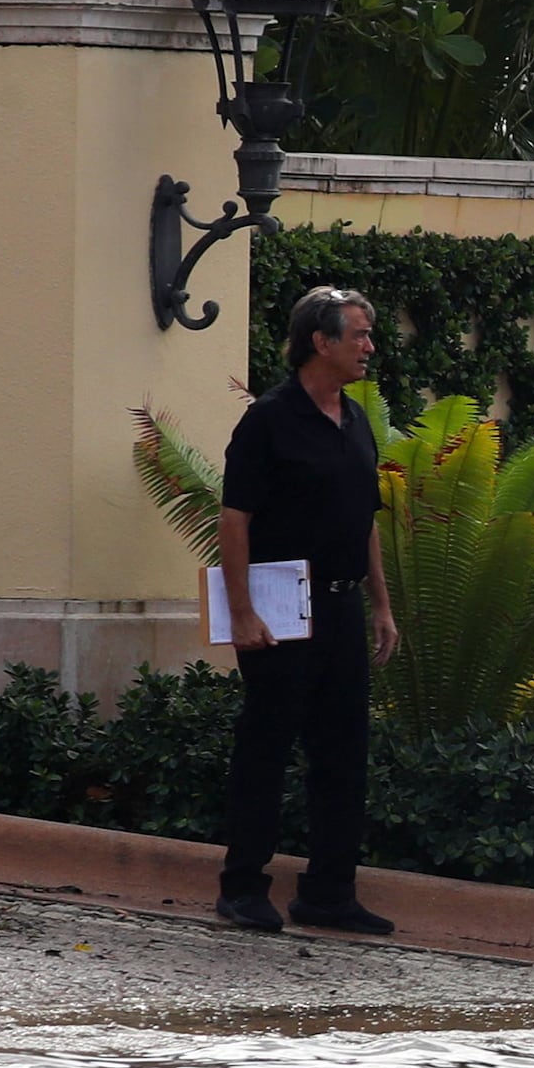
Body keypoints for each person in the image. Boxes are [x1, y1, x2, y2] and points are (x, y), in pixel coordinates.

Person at [216, 286, 403, 935]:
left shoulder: (355, 421)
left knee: (344, 750)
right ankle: (242, 886)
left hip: (341, 608)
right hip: (280, 609)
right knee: (266, 747)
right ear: (320, 342)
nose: (369, 347)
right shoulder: (270, 419)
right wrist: (241, 613)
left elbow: (366, 519)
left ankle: (329, 891)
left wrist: (381, 604)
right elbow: (234, 517)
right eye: (358, 335)